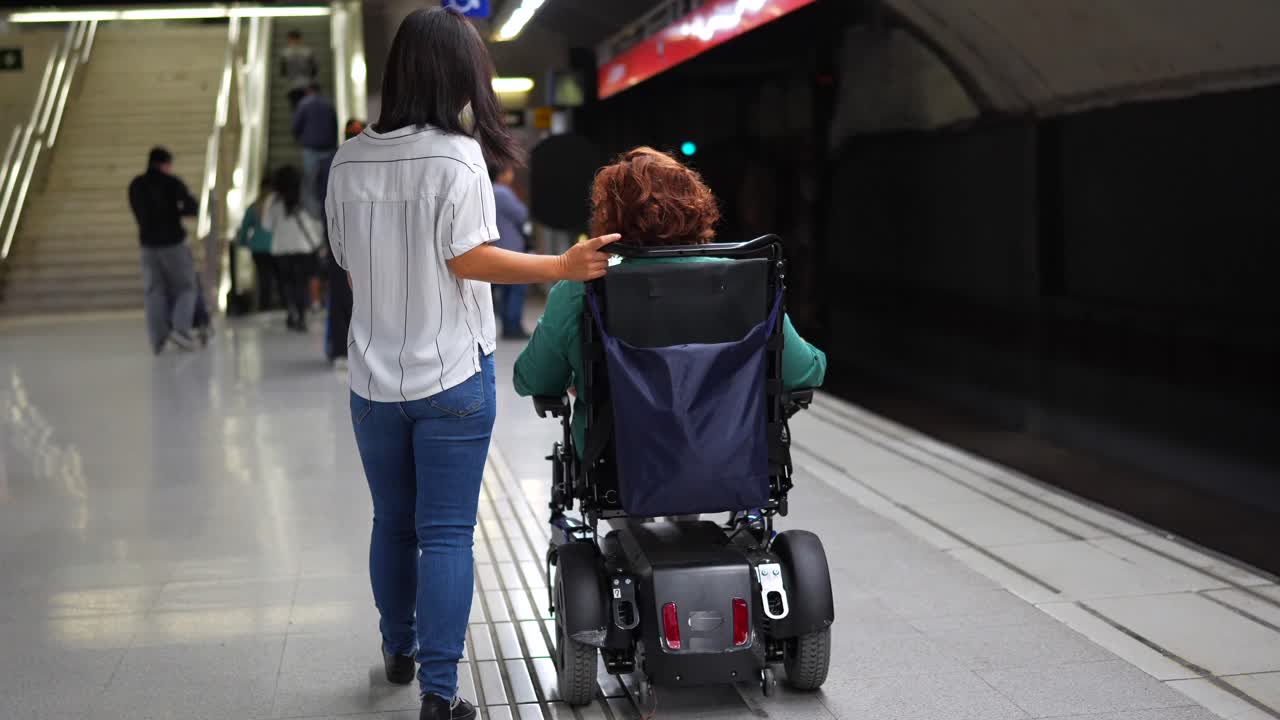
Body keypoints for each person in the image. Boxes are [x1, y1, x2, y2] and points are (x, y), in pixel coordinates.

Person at [323, 8, 618, 720]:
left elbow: (343, 261)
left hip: (372, 377)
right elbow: (468, 258)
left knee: (391, 520)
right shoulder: (456, 157)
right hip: (453, 373)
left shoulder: (349, 156)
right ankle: (440, 695)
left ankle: (399, 648)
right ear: (457, 75)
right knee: (447, 532)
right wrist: (562, 264)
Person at [513, 147, 828, 457]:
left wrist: (576, 375)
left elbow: (533, 378)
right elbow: (802, 373)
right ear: (696, 207)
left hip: (614, 460)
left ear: (608, 217)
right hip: (729, 455)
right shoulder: (746, 281)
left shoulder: (580, 287)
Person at [127, 147, 202, 353]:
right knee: (186, 287)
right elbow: (192, 207)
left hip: (147, 245)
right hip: (173, 243)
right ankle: (181, 330)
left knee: (154, 290)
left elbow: (137, 212)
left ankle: (157, 338)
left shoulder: (136, 185)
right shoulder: (172, 183)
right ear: (165, 164)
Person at [321, 119, 364, 364]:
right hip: (365, 236)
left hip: (339, 237)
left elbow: (321, 202)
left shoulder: (332, 162)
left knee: (340, 295)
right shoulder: (372, 159)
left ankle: (340, 348)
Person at [264, 165, 323, 331]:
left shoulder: (273, 201)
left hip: (281, 249)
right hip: (303, 248)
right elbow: (315, 222)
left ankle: (292, 312)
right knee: (301, 283)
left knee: (286, 284)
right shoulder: (304, 199)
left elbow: (267, 226)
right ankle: (302, 316)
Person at [489, 163, 531, 338]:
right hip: (509, 248)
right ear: (501, 174)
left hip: (494, 247)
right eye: (509, 170)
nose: (511, 174)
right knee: (515, 288)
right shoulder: (502, 192)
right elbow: (521, 214)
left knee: (502, 290)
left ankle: (507, 324)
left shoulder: (488, 190)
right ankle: (512, 326)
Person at [293, 82, 339, 218]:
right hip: (328, 150)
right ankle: (327, 213)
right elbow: (335, 126)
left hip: (311, 150)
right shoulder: (329, 104)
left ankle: (313, 216)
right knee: (327, 183)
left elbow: (296, 125)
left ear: (308, 91)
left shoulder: (304, 104)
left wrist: (298, 138)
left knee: (310, 183)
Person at [235, 177, 278, 311]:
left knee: (263, 277)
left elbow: (244, 229)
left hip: (258, 248)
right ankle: (280, 304)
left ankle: (264, 305)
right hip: (275, 246)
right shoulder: (276, 206)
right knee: (277, 276)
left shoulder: (253, 207)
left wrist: (244, 242)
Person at [280, 29, 318, 110]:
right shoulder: (308, 52)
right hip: (305, 85)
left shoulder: (285, 54)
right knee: (306, 108)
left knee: (297, 109)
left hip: (294, 86)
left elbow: (283, 71)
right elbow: (314, 70)